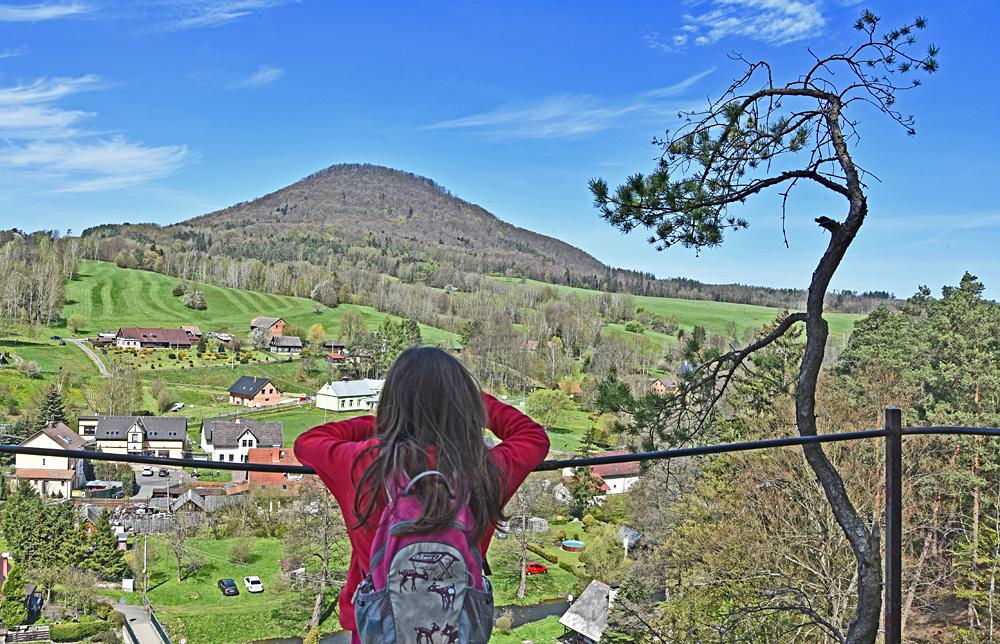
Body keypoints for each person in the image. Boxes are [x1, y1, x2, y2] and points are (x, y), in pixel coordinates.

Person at [295, 347, 550, 640]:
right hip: (456, 628)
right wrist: (472, 405)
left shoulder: (363, 463)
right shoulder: (484, 468)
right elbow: (534, 437)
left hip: (380, 628)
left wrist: (387, 423)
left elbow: (308, 442)